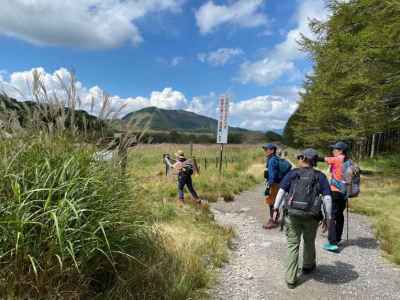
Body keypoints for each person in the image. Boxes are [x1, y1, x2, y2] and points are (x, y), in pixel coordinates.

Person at [272, 149, 332, 289]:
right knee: (309, 241)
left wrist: (276, 209)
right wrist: (328, 219)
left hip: (292, 215)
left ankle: (291, 279)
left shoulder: (293, 174)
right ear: (314, 161)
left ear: (302, 159)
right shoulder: (320, 176)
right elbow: (328, 198)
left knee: (293, 244)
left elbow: (281, 192)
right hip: (312, 215)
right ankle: (308, 266)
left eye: (299, 157)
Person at [322, 141, 349, 252]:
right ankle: (337, 238)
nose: (333, 151)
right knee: (339, 215)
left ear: (341, 151)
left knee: (331, 215)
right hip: (344, 192)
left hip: (335, 191)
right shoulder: (348, 161)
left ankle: (332, 243)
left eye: (335, 149)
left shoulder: (337, 159)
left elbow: (322, 159)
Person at [262, 143, 281, 229]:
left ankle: (273, 221)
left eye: (267, 149)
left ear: (272, 150)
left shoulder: (272, 160)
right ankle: (274, 219)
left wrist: (268, 186)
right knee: (273, 202)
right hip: (276, 184)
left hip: (274, 184)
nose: (265, 151)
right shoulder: (273, 159)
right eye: (265, 149)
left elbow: (272, 175)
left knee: (272, 203)